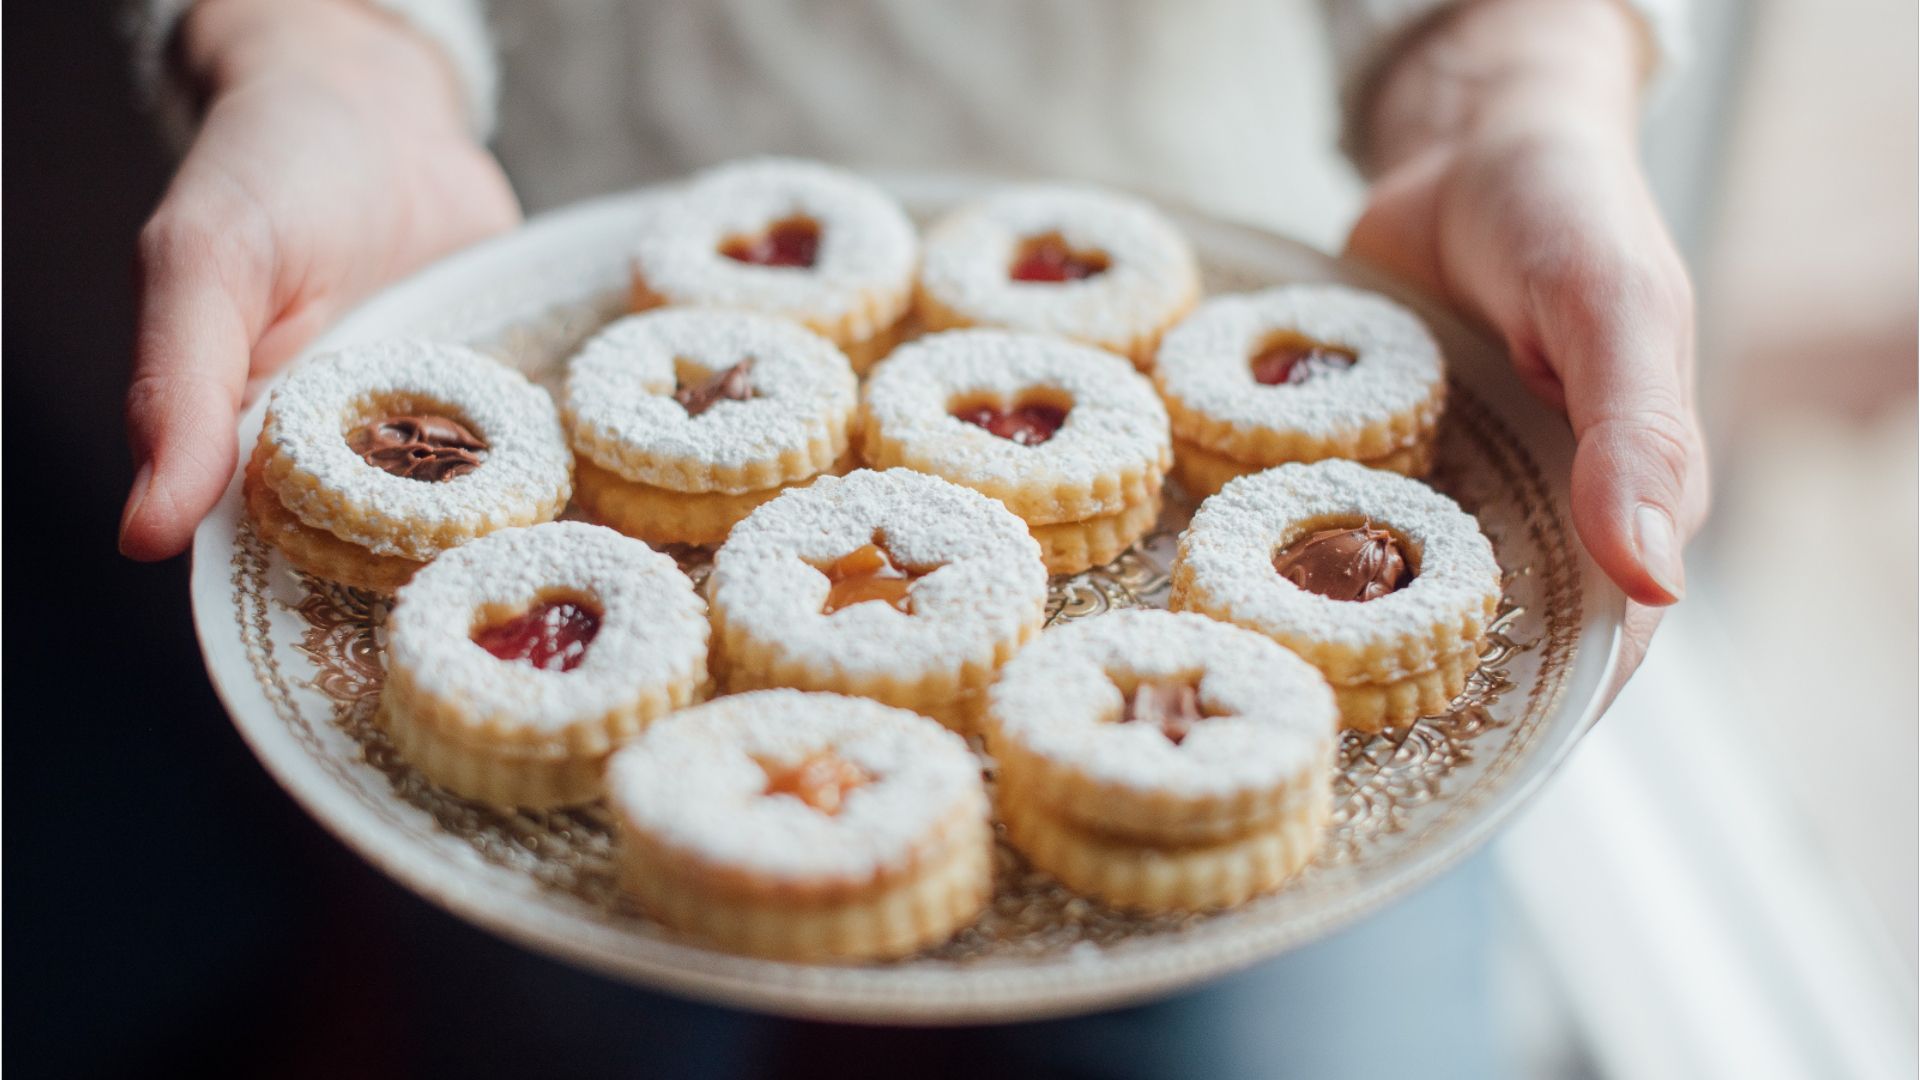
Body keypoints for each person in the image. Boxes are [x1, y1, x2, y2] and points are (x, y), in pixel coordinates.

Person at [111, 0, 1706, 1072]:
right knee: (547, 1019)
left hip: (1264, 257)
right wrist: (327, 62)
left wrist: (1515, 95)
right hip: (545, 251)